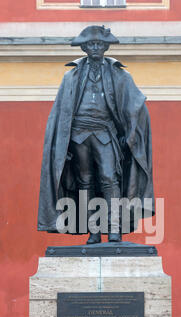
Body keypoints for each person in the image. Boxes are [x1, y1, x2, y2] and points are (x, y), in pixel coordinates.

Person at [38, 25, 155, 244]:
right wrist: (63, 145)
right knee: (85, 182)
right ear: (83, 47)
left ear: (105, 47)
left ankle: (114, 229)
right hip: (78, 135)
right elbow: (60, 113)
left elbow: (136, 106)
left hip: (104, 133)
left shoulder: (119, 74)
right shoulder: (71, 76)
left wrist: (129, 135)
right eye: (90, 44)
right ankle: (93, 231)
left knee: (110, 180)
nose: (94, 48)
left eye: (99, 44)